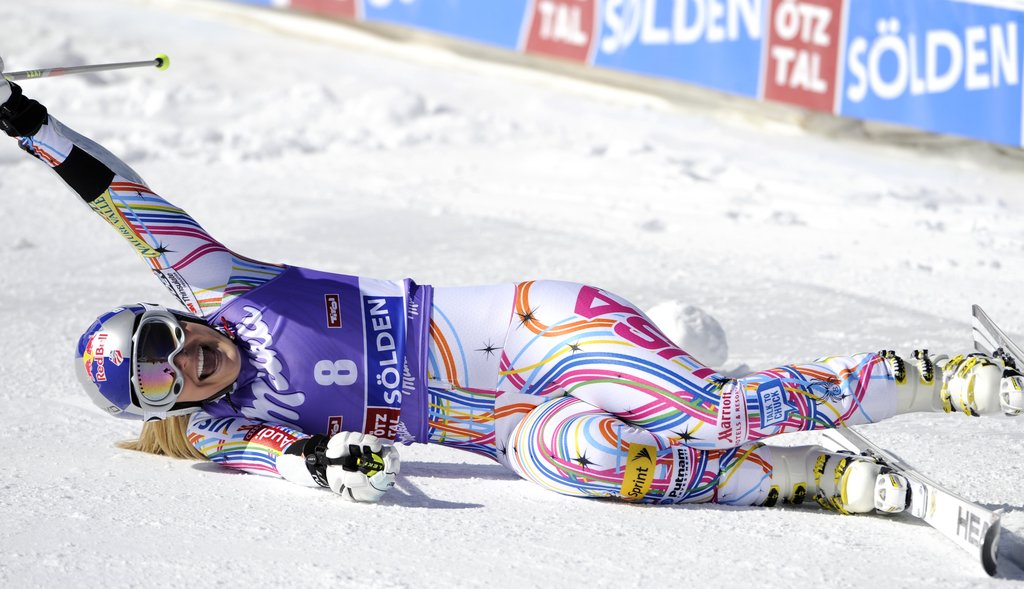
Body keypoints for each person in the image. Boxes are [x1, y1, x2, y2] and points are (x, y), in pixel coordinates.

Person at [3, 66, 1021, 510]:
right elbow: (279, 459)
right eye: (162, 379)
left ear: (171, 309)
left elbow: (122, 196)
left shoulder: (224, 285)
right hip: (503, 426)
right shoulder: (226, 426)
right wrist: (327, 465)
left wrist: (29, 124)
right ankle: (808, 478)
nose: (185, 359)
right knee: (592, 464)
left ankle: (939, 379)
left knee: (703, 411)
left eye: (165, 338)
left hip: (534, 330)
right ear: (166, 405)